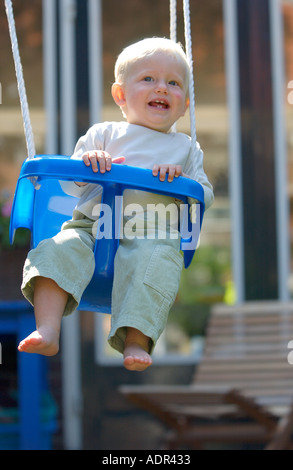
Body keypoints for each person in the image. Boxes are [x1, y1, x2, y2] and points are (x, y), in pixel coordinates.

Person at [18, 37, 214, 371]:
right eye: (148, 79)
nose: (162, 88)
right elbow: (69, 182)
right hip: (92, 227)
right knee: (55, 249)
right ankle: (48, 328)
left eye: (174, 83)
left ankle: (135, 341)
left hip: (152, 233)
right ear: (120, 95)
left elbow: (204, 195)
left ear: (185, 105)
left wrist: (183, 183)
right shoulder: (103, 134)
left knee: (155, 267)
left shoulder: (186, 149)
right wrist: (88, 163)